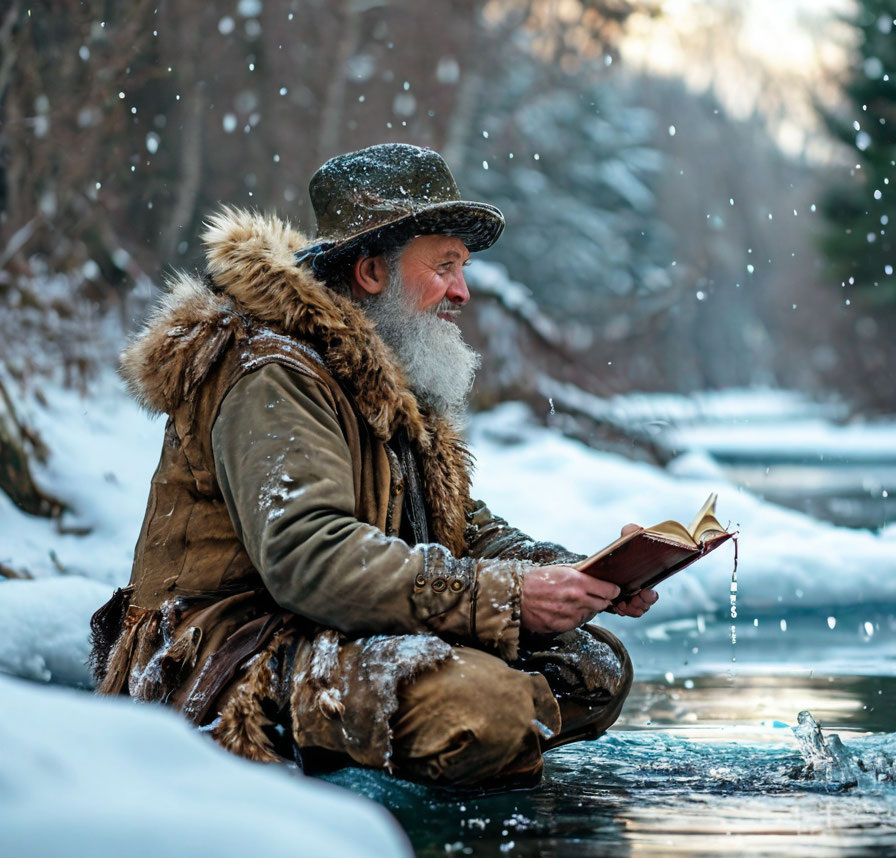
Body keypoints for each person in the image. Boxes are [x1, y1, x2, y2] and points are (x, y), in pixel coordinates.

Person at [90, 143, 658, 789]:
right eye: (445, 266)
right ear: (369, 273)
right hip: (230, 655)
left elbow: (461, 529)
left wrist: (577, 575)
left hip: (326, 629)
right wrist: (505, 598)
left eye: (464, 268)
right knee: (487, 708)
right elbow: (310, 559)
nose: (463, 291)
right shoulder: (272, 372)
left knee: (591, 667)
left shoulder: (388, 375)